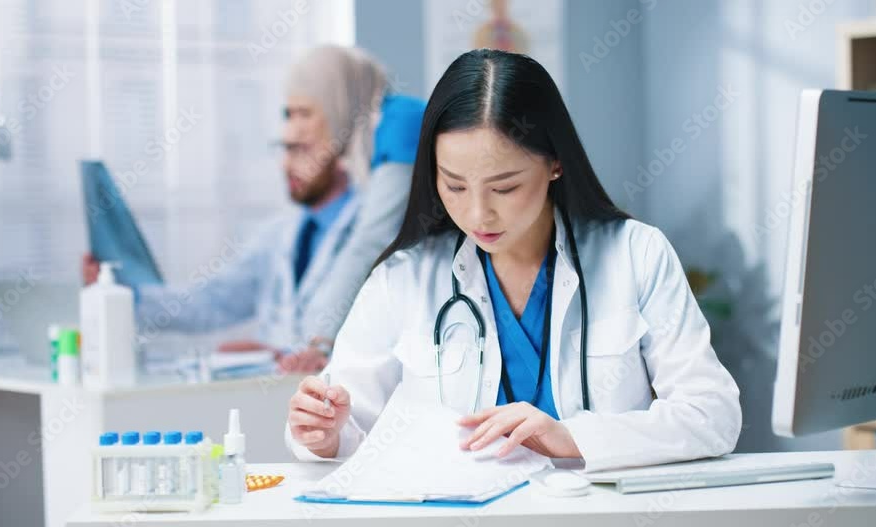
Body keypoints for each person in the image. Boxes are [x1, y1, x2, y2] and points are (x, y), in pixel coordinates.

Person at [285, 49, 741, 472]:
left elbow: (712, 414)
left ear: (556, 163)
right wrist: (324, 434)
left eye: (504, 187)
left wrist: (573, 438)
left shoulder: (635, 254)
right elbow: (347, 424)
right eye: (455, 186)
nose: (478, 213)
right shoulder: (402, 278)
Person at [82, 46, 424, 371]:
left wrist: (316, 345)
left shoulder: (397, 129)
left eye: (305, 118)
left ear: (338, 109)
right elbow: (214, 300)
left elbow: (369, 245)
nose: (290, 151)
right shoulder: (282, 234)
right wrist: (125, 293)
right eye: (289, 120)